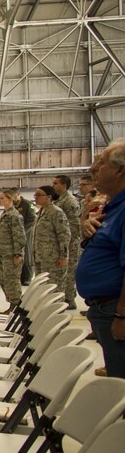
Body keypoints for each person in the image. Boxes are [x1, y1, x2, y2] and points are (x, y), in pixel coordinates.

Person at [77, 139, 125, 378]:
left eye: (102, 164)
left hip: (115, 307)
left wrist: (122, 315)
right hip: (104, 306)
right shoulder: (112, 206)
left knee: (120, 381)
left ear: (120, 170)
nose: (94, 169)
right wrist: (86, 226)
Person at [32, 185, 71, 292]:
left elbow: (64, 235)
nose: (35, 197)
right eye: (35, 195)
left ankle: (57, 309)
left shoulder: (56, 212)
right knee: (42, 289)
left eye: (39, 195)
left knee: (54, 288)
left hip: (53, 258)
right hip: (41, 257)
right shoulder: (41, 212)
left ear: (49, 197)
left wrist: (63, 257)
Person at [53, 175, 82, 309]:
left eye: (56, 183)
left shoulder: (69, 202)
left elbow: (75, 224)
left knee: (69, 273)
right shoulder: (59, 200)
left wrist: (70, 243)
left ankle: (69, 300)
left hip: (70, 244)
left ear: (64, 185)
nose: (53, 185)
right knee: (62, 273)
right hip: (62, 243)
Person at [0, 189, 27, 313]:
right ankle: (12, 304)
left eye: (2, 198)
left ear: (10, 200)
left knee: (12, 281)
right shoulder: (4, 214)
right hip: (3, 253)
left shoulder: (15, 216)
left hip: (11, 254)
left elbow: (19, 237)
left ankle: (16, 306)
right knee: (4, 280)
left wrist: (17, 254)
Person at [15, 190, 37, 285]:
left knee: (27, 253)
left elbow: (33, 219)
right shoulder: (14, 205)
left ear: (19, 195)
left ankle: (27, 277)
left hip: (27, 231)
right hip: (17, 233)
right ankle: (21, 276)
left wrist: (23, 230)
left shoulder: (26, 204)